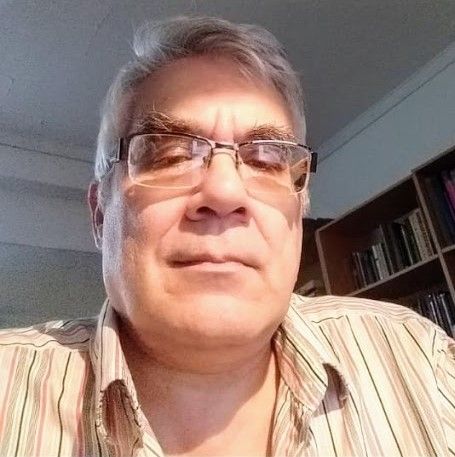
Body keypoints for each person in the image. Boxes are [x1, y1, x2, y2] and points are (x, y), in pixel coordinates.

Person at [0, 15, 454, 457]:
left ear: (299, 211)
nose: (224, 192)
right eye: (171, 155)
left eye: (266, 160)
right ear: (101, 214)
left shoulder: (422, 362)